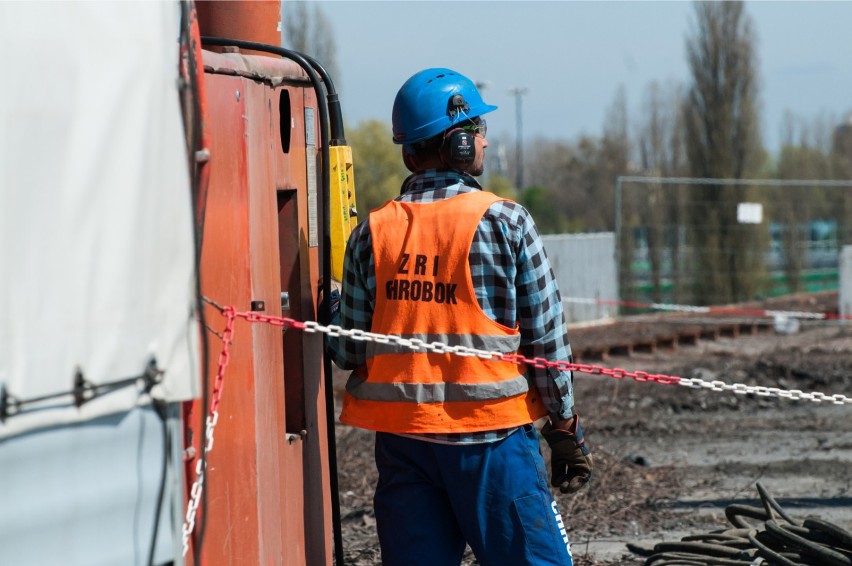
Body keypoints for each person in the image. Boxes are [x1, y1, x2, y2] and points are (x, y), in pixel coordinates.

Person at [324, 67, 591, 566]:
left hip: (405, 447)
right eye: (480, 132)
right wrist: (565, 427)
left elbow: (346, 350)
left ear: (408, 152)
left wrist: (332, 306)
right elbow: (547, 342)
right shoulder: (507, 222)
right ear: (462, 144)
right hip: (492, 445)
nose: (486, 144)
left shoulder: (370, 234)